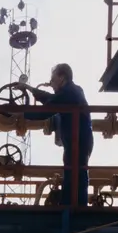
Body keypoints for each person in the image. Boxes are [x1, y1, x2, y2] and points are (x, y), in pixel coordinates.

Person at [30, 63, 94, 206]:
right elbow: (53, 99)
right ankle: (74, 205)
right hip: (79, 141)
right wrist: (31, 90)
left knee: (75, 176)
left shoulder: (68, 93)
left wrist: (20, 114)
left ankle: (73, 209)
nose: (51, 83)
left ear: (62, 77)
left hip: (77, 142)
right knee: (74, 174)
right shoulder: (74, 90)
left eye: (52, 80)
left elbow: (44, 111)